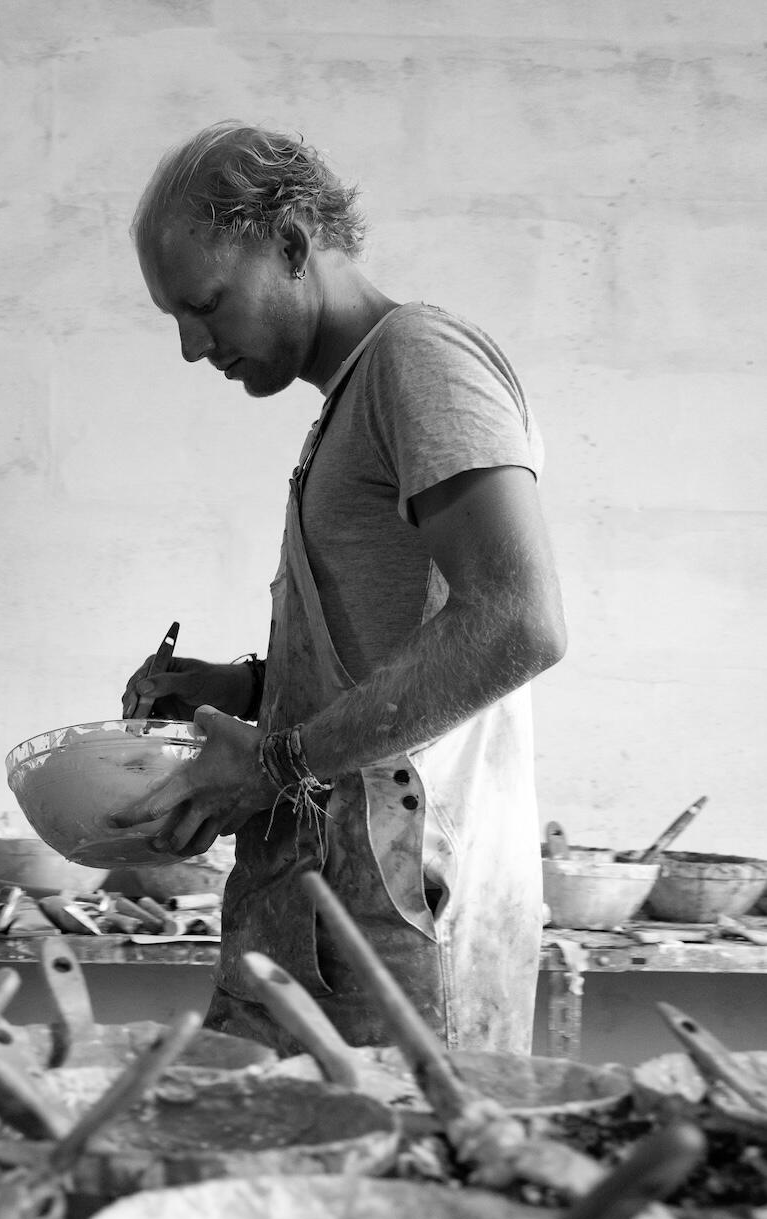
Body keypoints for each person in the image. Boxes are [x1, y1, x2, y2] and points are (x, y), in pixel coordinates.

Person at [111, 121, 566, 1055]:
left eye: (204, 305)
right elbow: (393, 640)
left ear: (289, 244)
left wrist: (274, 762)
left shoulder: (419, 360)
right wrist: (245, 688)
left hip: (409, 909)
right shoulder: (356, 394)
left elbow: (516, 622)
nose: (192, 346)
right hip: (339, 907)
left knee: (401, 1144)